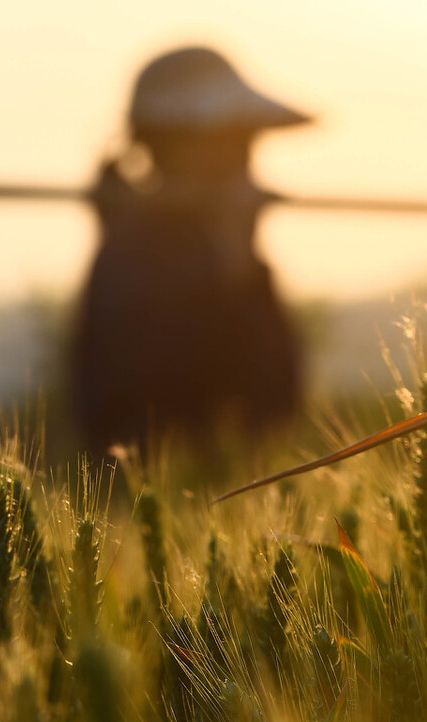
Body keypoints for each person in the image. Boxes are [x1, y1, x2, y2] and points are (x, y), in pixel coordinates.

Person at [71, 47, 308, 451]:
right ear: (176, 145)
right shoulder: (142, 256)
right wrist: (238, 268)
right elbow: (252, 400)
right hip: (163, 490)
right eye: (233, 140)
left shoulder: (205, 246)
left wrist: (240, 256)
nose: (246, 159)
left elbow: (280, 410)